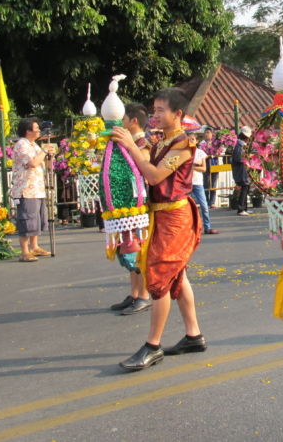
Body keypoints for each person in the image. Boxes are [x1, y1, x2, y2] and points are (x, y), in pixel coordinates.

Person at [110, 87, 205, 370]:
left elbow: (153, 176)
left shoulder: (184, 144)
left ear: (178, 114)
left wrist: (131, 146)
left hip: (176, 217)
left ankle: (153, 345)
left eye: (160, 110)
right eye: (154, 111)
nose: (155, 115)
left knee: (159, 279)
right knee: (177, 277)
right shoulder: (162, 142)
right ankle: (193, 335)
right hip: (162, 216)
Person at [110, 103, 154, 315]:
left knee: (138, 249)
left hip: (139, 205)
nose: (120, 122)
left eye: (123, 118)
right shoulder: (126, 142)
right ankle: (134, 293)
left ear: (133, 121)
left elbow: (144, 166)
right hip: (125, 204)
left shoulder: (142, 143)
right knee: (128, 247)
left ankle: (144, 295)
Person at [11, 118, 55, 262]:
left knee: (36, 219)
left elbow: (46, 165)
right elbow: (33, 163)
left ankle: (34, 246)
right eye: (36, 129)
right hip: (25, 189)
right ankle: (24, 252)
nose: (38, 131)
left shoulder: (34, 145)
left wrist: (50, 155)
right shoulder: (21, 145)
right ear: (28, 131)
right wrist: (43, 150)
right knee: (27, 219)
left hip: (37, 188)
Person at [188, 131, 218, 234]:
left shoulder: (200, 153)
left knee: (204, 205)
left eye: (192, 139)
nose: (190, 141)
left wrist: (193, 166)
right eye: (189, 139)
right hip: (186, 183)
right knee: (188, 207)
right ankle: (190, 228)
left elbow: (204, 168)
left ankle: (207, 226)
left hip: (197, 182)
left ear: (197, 141)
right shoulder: (184, 152)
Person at [232, 127, 252, 216]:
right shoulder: (239, 146)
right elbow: (238, 158)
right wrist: (248, 156)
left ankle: (245, 208)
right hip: (241, 171)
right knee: (244, 189)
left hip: (244, 170)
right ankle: (241, 209)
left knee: (246, 188)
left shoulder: (242, 145)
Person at [199, 128, 220, 208]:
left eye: (208, 132)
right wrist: (208, 155)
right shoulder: (202, 143)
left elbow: (219, 152)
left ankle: (212, 202)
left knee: (214, 184)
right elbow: (201, 154)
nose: (206, 134)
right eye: (205, 132)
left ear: (212, 134)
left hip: (215, 165)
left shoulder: (216, 143)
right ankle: (206, 201)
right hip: (207, 166)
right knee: (206, 184)